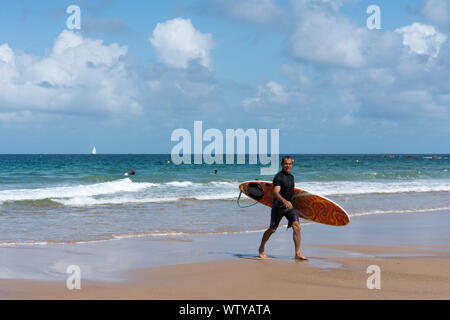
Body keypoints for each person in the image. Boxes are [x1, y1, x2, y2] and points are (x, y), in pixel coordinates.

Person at [258, 156, 308, 261]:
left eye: (290, 164)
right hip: (278, 207)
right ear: (282, 164)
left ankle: (297, 253)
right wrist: (284, 201)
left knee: (297, 226)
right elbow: (275, 192)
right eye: (286, 163)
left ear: (292, 165)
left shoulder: (292, 177)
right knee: (272, 229)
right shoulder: (278, 177)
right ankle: (261, 248)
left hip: (290, 207)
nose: (288, 166)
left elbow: (292, 193)